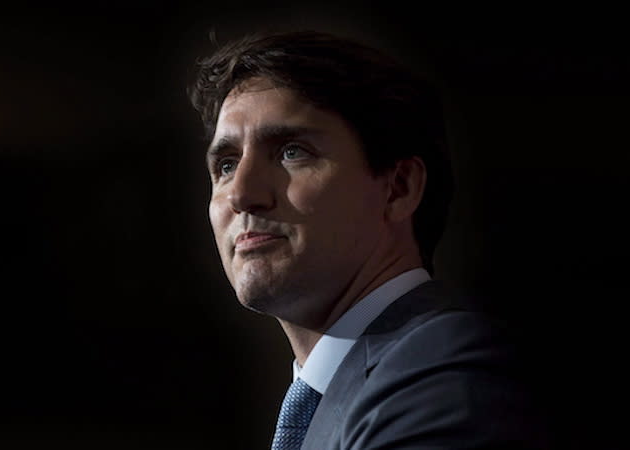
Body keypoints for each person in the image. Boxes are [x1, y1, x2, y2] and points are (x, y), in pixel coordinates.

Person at [188, 30, 548, 449]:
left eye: (292, 151)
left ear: (398, 187)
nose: (242, 194)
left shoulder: (443, 377)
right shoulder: (351, 392)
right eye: (227, 164)